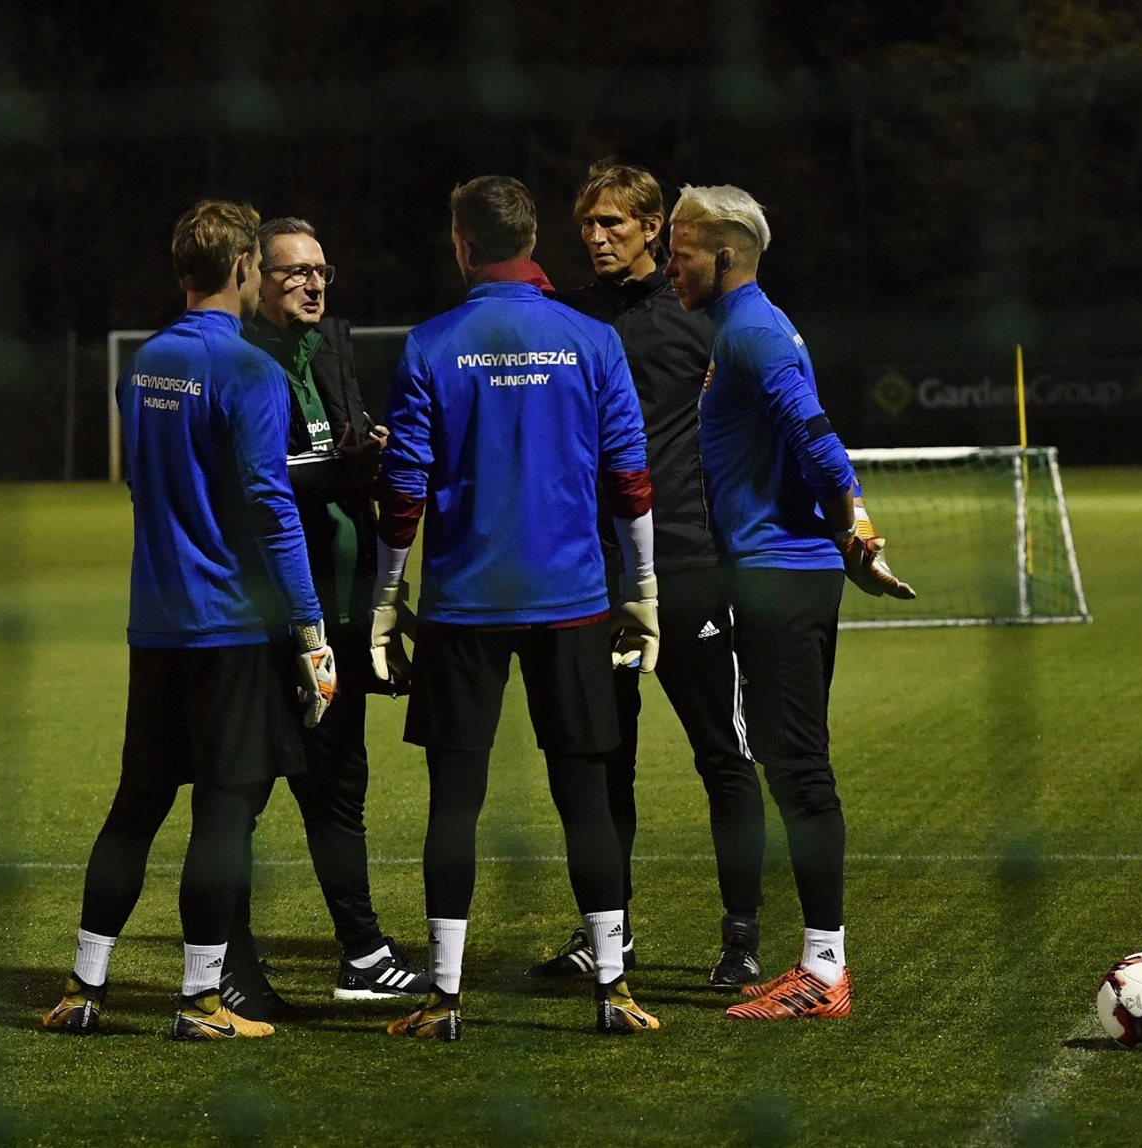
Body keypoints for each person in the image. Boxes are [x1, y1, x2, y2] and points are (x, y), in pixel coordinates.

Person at [370, 175, 661, 1040]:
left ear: (463, 245)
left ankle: (444, 999)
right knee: (586, 796)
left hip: (464, 604)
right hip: (572, 600)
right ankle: (613, 990)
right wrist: (644, 588)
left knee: (454, 802)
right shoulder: (592, 339)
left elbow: (403, 489)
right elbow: (630, 478)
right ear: (533, 240)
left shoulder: (431, 344)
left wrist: (387, 597)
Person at [41, 199, 336, 1041]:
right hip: (232, 628)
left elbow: (143, 483)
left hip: (156, 625)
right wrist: (311, 631)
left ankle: (84, 990)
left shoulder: (145, 364)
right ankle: (201, 1002)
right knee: (223, 813)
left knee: (136, 806)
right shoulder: (249, 369)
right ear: (244, 268)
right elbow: (271, 507)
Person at [664, 184, 916, 1022]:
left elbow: (817, 438)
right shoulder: (752, 326)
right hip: (781, 570)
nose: (671, 269)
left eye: (681, 254)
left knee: (799, 767)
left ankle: (825, 971)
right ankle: (816, 962)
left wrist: (855, 531)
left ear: (724, 254)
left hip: (778, 574)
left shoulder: (754, 333)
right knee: (786, 759)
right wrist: (851, 539)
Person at [527, 160, 767, 989]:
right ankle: (609, 934)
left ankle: (742, 937)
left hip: (689, 565)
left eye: (614, 224)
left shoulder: (703, 318)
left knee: (723, 754)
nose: (596, 238)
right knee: (603, 760)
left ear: (654, 228)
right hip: (590, 574)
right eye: (588, 224)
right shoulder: (566, 321)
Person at [223, 217, 426, 1018]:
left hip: (338, 615)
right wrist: (345, 469)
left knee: (340, 784)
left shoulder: (328, 351)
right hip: (267, 622)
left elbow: (340, 462)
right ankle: (227, 964)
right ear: (255, 278)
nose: (312, 284)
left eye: (320, 271)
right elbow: (259, 484)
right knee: (241, 794)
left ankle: (363, 953)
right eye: (294, 272)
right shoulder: (240, 361)